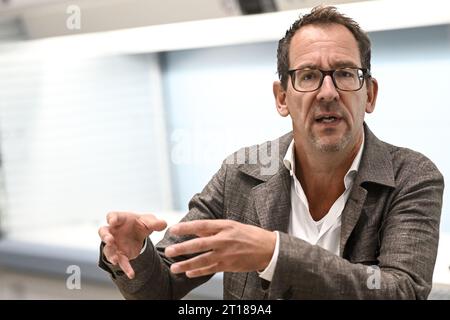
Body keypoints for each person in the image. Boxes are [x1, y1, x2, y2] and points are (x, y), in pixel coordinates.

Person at [98, 6, 444, 299]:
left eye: (344, 73)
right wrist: (135, 253)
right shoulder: (241, 173)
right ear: (282, 97)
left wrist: (275, 253)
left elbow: (403, 291)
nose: (327, 92)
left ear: (369, 94)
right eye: (308, 76)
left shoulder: (412, 176)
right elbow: (162, 287)